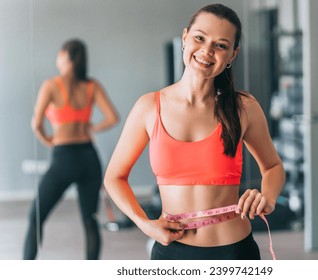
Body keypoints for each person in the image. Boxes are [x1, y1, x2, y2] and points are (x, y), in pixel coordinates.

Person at [104, 3, 285, 260]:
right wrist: (144, 224)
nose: (207, 51)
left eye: (221, 45)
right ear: (185, 37)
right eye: (200, 38)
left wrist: (268, 195)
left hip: (234, 252)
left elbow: (273, 167)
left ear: (233, 55)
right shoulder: (148, 107)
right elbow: (114, 177)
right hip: (170, 253)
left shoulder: (244, 108)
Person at [23, 39, 119, 259]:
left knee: (35, 217)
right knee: (90, 220)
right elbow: (113, 117)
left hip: (64, 157)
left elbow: (36, 124)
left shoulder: (51, 85)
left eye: (59, 54)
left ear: (66, 56)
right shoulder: (91, 86)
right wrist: (91, 126)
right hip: (88, 157)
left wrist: (49, 141)